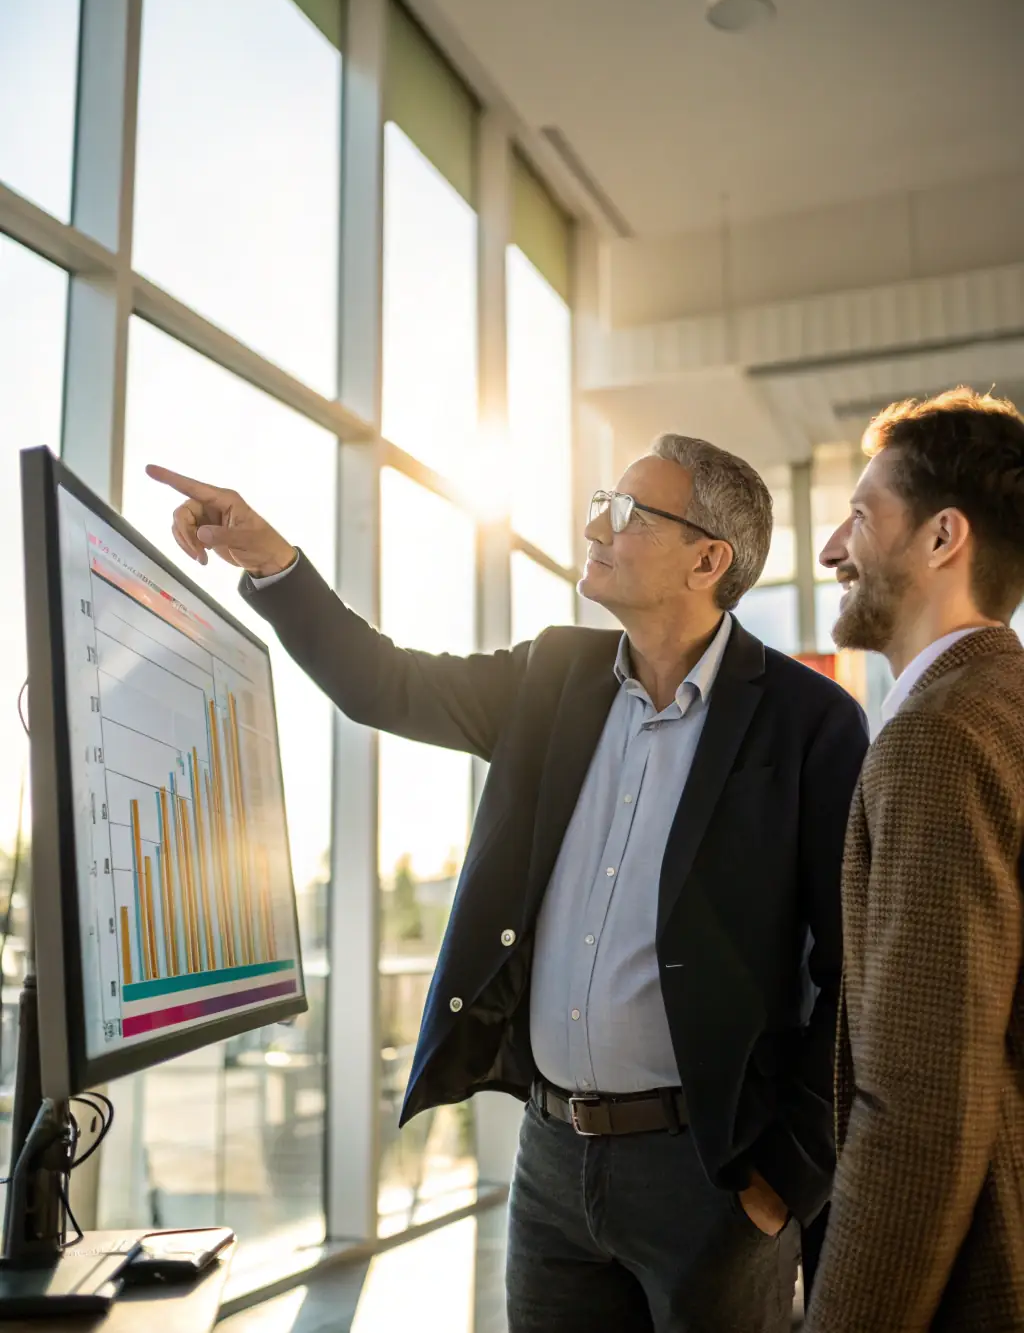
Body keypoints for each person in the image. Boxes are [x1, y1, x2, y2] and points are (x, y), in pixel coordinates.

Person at [148, 435, 868, 1333]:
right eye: (606, 498)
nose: (595, 523)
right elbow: (383, 683)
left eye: (629, 511)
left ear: (708, 559)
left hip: (713, 1176)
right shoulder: (552, 676)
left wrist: (784, 1177)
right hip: (553, 1161)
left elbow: (855, 973)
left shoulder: (811, 724)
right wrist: (273, 564)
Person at [808, 387, 1024, 1333]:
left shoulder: (938, 737)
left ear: (943, 538)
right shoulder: (998, 705)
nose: (830, 551)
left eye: (860, 516)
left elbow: (922, 1105)